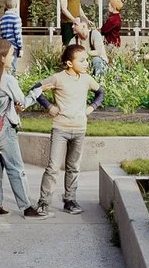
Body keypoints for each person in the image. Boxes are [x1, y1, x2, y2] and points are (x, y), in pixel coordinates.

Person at [30, 41, 105, 214]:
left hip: (80, 129)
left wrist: (91, 107)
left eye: (87, 60)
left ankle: (70, 200)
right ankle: (43, 202)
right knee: (53, 167)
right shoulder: (58, 78)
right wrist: (49, 107)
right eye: (82, 60)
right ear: (70, 63)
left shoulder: (87, 79)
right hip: (60, 129)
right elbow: (36, 89)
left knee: (73, 167)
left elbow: (101, 92)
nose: (86, 63)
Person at [0, 37, 40, 218]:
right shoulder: (7, 79)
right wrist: (36, 92)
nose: (13, 57)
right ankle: (27, 207)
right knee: (16, 167)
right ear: (1, 58)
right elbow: (22, 102)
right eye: (10, 54)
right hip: (5, 128)